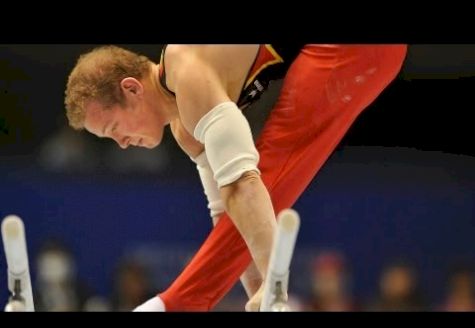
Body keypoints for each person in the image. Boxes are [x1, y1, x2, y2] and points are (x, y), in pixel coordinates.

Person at [65, 44, 407, 311]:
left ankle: (179, 303)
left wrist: (275, 284)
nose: (122, 144)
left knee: (272, 159)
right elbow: (227, 218)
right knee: (248, 189)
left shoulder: (188, 70)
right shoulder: (185, 130)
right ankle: (183, 302)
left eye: (114, 129)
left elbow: (243, 185)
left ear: (131, 89)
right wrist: (260, 291)